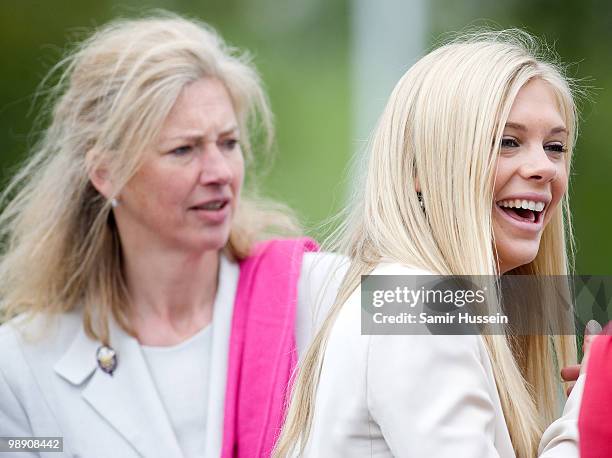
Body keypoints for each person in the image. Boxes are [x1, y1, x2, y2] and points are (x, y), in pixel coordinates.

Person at [0, 13, 345, 458]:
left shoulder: (312, 291)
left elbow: (456, 310)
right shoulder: (22, 363)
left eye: (228, 143)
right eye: (184, 150)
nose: (219, 172)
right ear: (106, 173)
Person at [274, 31, 584, 457]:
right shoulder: (420, 302)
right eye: (507, 142)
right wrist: (588, 420)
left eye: (555, 147)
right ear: (421, 169)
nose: (544, 168)